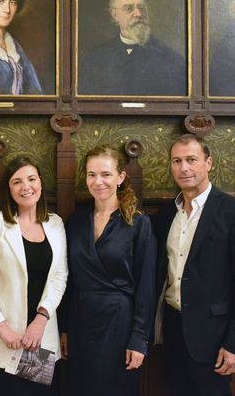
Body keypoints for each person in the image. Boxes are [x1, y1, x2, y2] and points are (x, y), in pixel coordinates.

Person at [154, 134, 235, 396]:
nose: (184, 168)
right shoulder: (167, 213)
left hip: (213, 336)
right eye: (176, 161)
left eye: (191, 160)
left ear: (208, 163)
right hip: (172, 330)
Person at [60, 145, 156, 395]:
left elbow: (146, 285)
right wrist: (64, 328)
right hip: (80, 321)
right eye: (92, 175)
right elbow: (69, 280)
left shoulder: (138, 222)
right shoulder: (77, 221)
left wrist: (139, 338)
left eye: (105, 174)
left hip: (119, 324)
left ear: (120, 177)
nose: (98, 181)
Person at [0, 156, 67, 395]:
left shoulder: (55, 224)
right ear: (9, 189)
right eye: (17, 181)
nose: (26, 186)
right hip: (5, 340)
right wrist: (3, 329)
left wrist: (41, 319)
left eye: (31, 179)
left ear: (41, 184)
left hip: (41, 339)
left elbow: (60, 277)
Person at [79, 0, 186, 96]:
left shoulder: (170, 59)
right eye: (129, 8)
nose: (138, 14)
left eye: (141, 7)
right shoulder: (95, 59)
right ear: (115, 15)